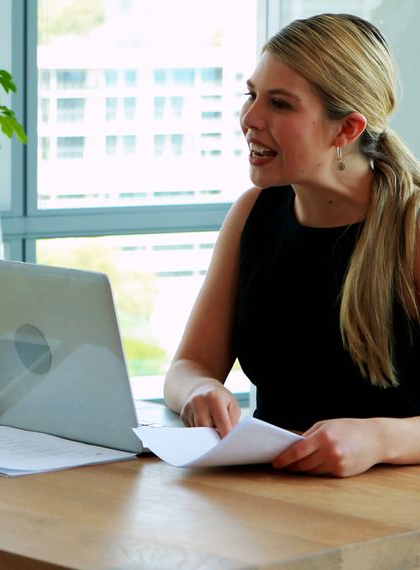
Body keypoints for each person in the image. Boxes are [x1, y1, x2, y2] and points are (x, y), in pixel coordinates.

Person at [163, 13, 420, 478]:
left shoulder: (413, 228)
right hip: (273, 499)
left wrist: (382, 438)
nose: (249, 119)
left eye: (280, 104)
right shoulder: (253, 212)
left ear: (347, 130)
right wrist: (198, 390)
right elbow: (189, 364)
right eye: (252, 94)